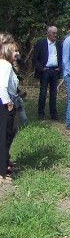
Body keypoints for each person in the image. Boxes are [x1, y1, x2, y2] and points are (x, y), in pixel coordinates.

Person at [0, 34, 20, 183]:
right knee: (3, 138)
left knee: (7, 136)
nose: (16, 53)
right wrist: (8, 103)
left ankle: (5, 164)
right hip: (4, 105)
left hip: (6, 103)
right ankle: (2, 173)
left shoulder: (7, 65)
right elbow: (2, 87)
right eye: (14, 51)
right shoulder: (5, 65)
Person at [32, 26, 62, 121]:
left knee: (53, 94)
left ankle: (53, 113)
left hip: (54, 71)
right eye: (53, 33)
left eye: (56, 33)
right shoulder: (41, 43)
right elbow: (34, 58)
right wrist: (41, 68)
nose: (55, 35)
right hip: (45, 71)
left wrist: (60, 67)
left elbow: (61, 57)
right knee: (43, 92)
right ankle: (41, 113)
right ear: (48, 33)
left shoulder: (58, 44)